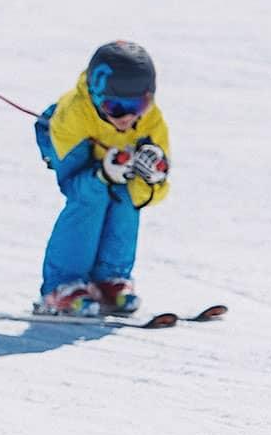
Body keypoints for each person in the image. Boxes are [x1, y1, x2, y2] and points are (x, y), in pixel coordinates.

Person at [32, 40, 172, 317]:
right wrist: (101, 174)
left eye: (139, 104)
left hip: (116, 164)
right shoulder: (71, 116)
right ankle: (62, 285)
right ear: (96, 97)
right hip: (75, 157)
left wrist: (154, 177)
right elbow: (71, 185)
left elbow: (152, 193)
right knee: (91, 201)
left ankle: (110, 277)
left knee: (127, 197)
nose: (127, 116)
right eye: (115, 106)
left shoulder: (150, 120)